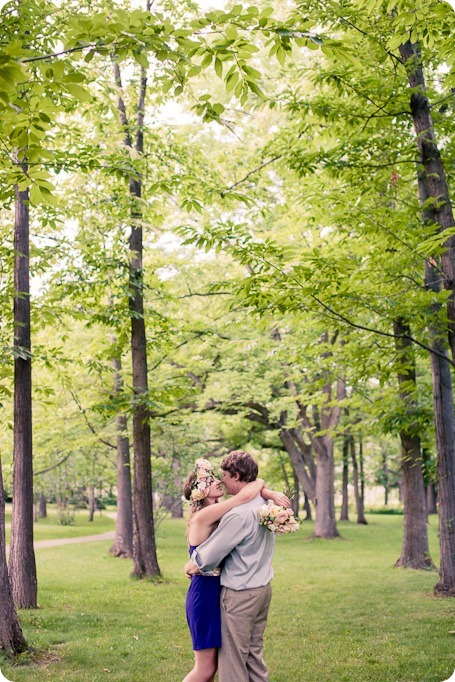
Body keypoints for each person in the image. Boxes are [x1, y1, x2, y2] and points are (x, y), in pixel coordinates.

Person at [184, 451, 289, 682]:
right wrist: (264, 487)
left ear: (237, 475)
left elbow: (205, 559)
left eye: (223, 476)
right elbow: (249, 491)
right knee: (251, 656)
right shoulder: (264, 504)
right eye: (213, 479)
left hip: (240, 595)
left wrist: (191, 565)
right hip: (260, 589)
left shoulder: (237, 515)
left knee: (232, 663)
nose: (221, 480)